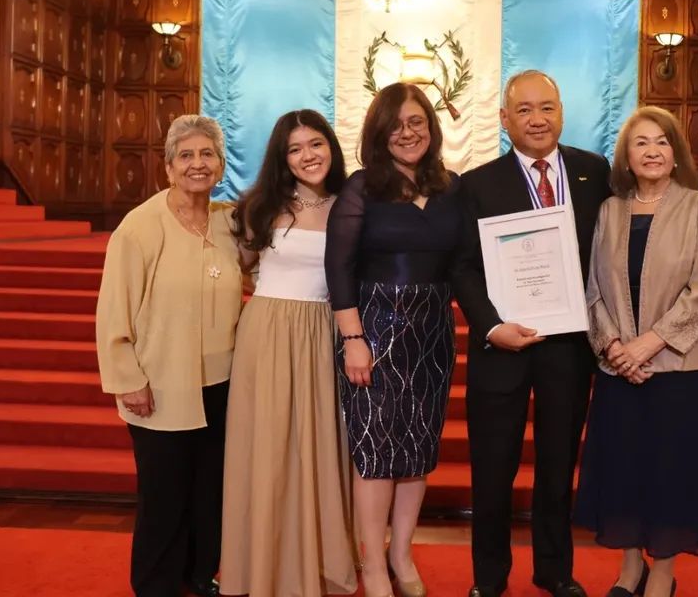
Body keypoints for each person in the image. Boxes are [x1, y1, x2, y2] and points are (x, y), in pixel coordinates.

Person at [452, 70, 611, 597]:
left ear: (562, 112)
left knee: (557, 466)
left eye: (546, 107)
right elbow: (464, 267)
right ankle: (489, 579)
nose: (537, 119)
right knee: (493, 471)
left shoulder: (595, 171)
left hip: (569, 349)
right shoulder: (477, 183)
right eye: (523, 110)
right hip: (502, 349)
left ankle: (555, 572)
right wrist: (491, 326)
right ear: (504, 120)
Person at [576, 106, 698, 597]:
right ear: (627, 154)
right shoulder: (609, 210)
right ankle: (629, 569)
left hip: (681, 369)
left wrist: (648, 345)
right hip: (619, 367)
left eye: (661, 141)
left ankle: (662, 574)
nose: (652, 151)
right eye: (641, 142)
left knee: (668, 475)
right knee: (625, 470)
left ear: (675, 151)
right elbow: (593, 287)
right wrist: (616, 347)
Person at [325, 82, 463, 597]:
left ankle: (402, 555)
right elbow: (337, 268)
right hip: (375, 329)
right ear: (379, 134)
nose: (407, 133)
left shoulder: (452, 188)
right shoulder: (361, 189)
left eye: (416, 123)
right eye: (396, 125)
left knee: (419, 450)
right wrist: (353, 337)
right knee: (375, 451)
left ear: (431, 128)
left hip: (432, 333)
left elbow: (468, 262)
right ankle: (373, 564)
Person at [96, 115, 242, 597]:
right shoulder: (139, 228)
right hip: (159, 385)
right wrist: (127, 378)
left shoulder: (229, 223)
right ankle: (156, 585)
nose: (197, 164)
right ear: (168, 167)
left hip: (222, 386)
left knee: (208, 494)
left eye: (207, 155)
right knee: (164, 498)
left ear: (220, 165)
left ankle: (199, 576)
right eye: (187, 155)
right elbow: (113, 311)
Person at [220, 110, 359, 596]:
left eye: (316, 144)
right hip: (269, 333)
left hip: (326, 329)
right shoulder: (261, 205)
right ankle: (261, 564)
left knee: (320, 443)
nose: (308, 156)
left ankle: (319, 563)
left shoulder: (352, 204)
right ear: (283, 158)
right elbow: (235, 266)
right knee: (270, 450)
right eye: (295, 149)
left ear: (331, 147)